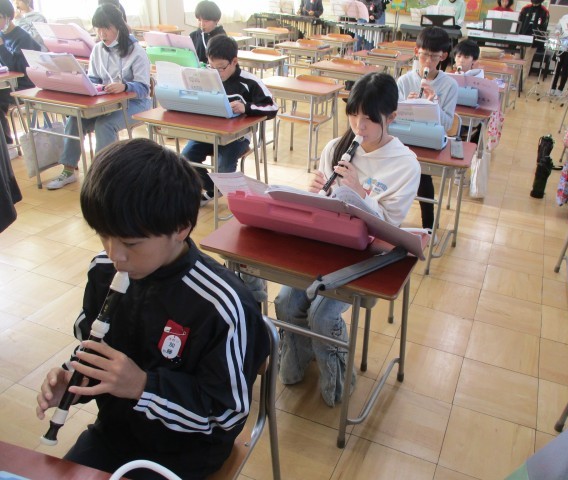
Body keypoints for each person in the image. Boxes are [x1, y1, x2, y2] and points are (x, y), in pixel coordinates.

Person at [35, 138, 270, 480]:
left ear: (181, 228)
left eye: (130, 243)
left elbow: (224, 416)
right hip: (113, 435)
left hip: (186, 453)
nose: (115, 255)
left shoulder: (222, 304)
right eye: (103, 235)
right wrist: (74, 380)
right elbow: (95, 351)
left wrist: (144, 386)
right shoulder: (103, 271)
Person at [275, 72, 420, 408]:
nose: (359, 126)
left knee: (323, 316)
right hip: (327, 243)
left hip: (370, 256)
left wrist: (360, 193)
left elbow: (390, 229)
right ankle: (298, 361)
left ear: (391, 117)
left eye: (369, 118)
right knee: (285, 301)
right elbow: (321, 211)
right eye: (353, 114)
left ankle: (339, 382)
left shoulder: (406, 165)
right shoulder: (336, 148)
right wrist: (316, 194)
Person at [45, 4, 151, 191]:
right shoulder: (98, 49)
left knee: (105, 125)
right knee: (75, 120)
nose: (102, 33)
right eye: (98, 28)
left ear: (118, 26)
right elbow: (94, 78)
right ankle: (68, 170)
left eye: (106, 28)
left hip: (136, 103)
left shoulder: (136, 51)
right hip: (106, 102)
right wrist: (84, 82)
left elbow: (143, 87)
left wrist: (125, 86)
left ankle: (103, 175)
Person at [181, 35, 278, 206]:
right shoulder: (207, 77)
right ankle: (215, 188)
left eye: (221, 68)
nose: (216, 73)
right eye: (211, 67)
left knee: (225, 168)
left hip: (237, 137)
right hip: (209, 132)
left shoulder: (249, 82)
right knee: (185, 159)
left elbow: (272, 108)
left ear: (234, 61)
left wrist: (245, 107)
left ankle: (225, 191)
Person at [397, 26, 458, 231]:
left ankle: (428, 228)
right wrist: (406, 104)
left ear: (443, 56)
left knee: (423, 177)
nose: (428, 62)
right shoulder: (404, 81)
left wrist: (434, 104)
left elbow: (447, 125)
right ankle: (391, 220)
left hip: (430, 142)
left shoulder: (450, 85)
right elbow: (392, 118)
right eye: (424, 55)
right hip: (405, 139)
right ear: (416, 52)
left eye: (434, 57)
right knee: (395, 176)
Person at [0, 0, 41, 157]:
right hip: (6, 83)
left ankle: (8, 145)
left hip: (24, 85)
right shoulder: (2, 35)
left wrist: (1, 47)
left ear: (8, 17)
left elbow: (16, 68)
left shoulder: (22, 37)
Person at [518, 0, 550, 78]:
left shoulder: (544, 12)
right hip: (521, 39)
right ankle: (513, 82)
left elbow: (543, 28)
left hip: (533, 41)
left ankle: (521, 82)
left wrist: (537, 40)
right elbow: (519, 23)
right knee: (516, 60)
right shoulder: (525, 9)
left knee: (526, 63)